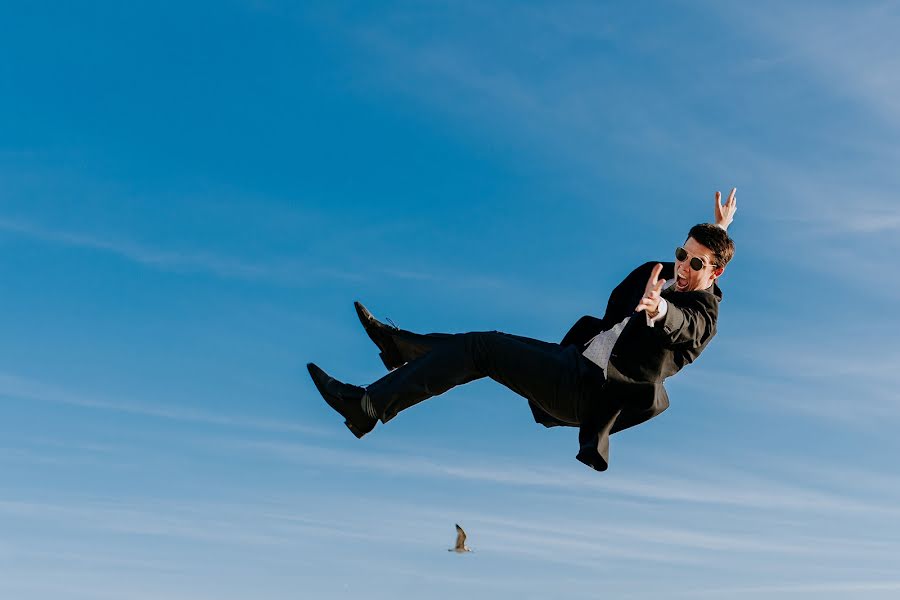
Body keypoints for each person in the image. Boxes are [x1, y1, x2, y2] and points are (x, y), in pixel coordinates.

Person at [307, 189, 737, 472]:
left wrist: (660, 309)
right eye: (682, 253)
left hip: (591, 392)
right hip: (572, 362)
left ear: (715, 273)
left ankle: (367, 404)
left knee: (483, 348)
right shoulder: (677, 269)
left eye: (696, 264)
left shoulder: (702, 315)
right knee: (479, 349)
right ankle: (395, 349)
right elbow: (700, 256)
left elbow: (685, 326)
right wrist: (718, 230)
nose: (682, 266)